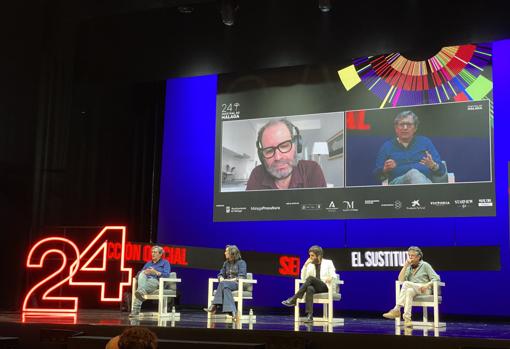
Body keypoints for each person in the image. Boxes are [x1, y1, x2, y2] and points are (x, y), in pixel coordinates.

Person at [246, 119, 327, 190]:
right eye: (269, 151)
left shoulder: (312, 170)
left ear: (295, 146)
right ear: (261, 156)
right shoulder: (256, 175)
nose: (278, 157)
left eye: (284, 146)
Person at [374, 110, 446, 185]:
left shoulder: (425, 142)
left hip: (425, 181)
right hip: (398, 186)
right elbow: (377, 175)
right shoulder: (387, 146)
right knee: (414, 174)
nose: (405, 128)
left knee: (416, 176)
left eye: (409, 124)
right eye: (401, 124)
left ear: (415, 128)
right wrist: (385, 169)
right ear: (396, 128)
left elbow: (441, 172)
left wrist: (433, 165)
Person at [383, 246, 441, 327]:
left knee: (406, 284)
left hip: (425, 289)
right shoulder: (409, 267)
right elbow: (400, 279)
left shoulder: (425, 265)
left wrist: (427, 285)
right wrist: (405, 266)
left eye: (412, 256)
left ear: (418, 257)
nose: (410, 257)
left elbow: (437, 278)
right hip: (414, 290)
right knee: (409, 291)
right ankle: (407, 319)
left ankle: (397, 309)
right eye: (409, 255)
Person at [281, 245, 336, 322]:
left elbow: (333, 274)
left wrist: (331, 277)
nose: (310, 257)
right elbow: (303, 279)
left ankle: (294, 298)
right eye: (310, 255)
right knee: (309, 288)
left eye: (312, 255)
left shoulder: (328, 263)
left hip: (325, 287)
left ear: (319, 255)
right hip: (315, 287)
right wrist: (305, 265)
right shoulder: (310, 264)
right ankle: (310, 316)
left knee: (310, 278)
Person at [204, 245, 247, 319]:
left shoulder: (241, 263)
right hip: (226, 285)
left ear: (232, 253)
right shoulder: (226, 263)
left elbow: (241, 277)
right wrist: (220, 277)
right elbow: (221, 273)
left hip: (238, 284)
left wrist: (227, 280)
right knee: (225, 288)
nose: (225, 253)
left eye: (226, 251)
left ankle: (214, 305)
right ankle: (233, 311)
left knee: (223, 283)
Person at [130, 245, 171, 317]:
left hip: (155, 281)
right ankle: (141, 292)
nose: (153, 254)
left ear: (160, 254)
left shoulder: (165, 263)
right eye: (152, 252)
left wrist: (155, 272)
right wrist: (144, 272)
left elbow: (166, 275)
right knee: (142, 273)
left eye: (155, 252)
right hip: (144, 280)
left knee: (140, 290)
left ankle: (135, 311)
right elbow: (138, 275)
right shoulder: (148, 263)